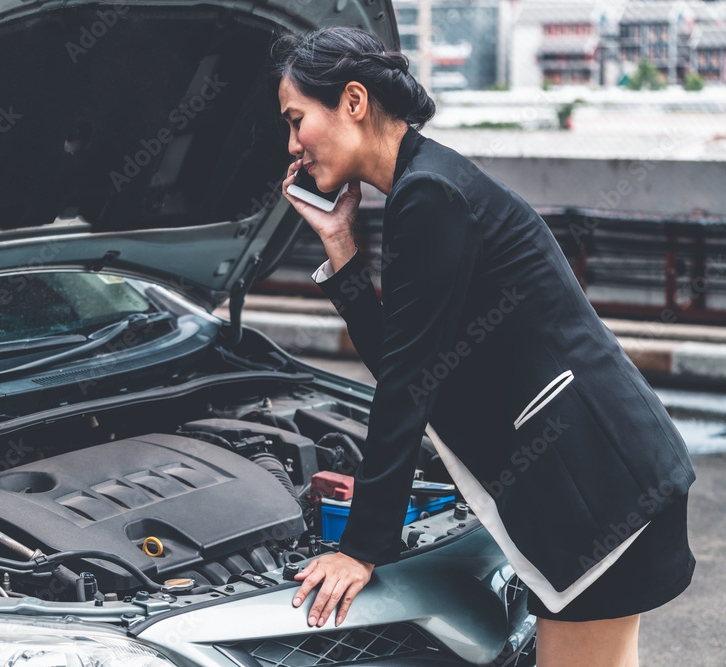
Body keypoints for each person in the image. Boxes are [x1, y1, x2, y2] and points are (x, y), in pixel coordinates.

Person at [272, 26, 697, 666]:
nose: (292, 144)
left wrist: (361, 547)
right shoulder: (427, 183)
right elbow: (407, 359)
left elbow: (406, 387)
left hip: (597, 493)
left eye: (296, 119)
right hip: (609, 479)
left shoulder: (431, 195)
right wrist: (341, 244)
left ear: (353, 102)